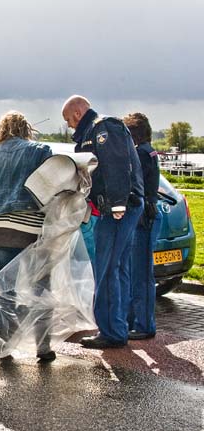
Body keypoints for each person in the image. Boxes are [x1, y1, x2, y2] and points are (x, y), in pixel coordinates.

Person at [0, 111, 55, 363]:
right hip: (30, 225)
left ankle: (4, 347)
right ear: (26, 129)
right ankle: (43, 347)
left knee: (5, 288)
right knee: (41, 287)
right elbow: (52, 186)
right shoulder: (40, 151)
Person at [62, 95, 144, 349]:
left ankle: (111, 332)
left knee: (107, 270)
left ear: (77, 113)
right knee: (117, 269)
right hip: (117, 208)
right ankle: (117, 327)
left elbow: (117, 165)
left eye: (68, 120)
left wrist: (117, 204)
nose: (69, 126)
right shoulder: (97, 128)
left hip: (116, 210)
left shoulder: (102, 128)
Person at [124, 112, 160, 340]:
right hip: (147, 216)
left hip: (142, 218)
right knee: (138, 272)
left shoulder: (141, 153)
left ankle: (144, 325)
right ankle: (136, 322)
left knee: (141, 274)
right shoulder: (149, 151)